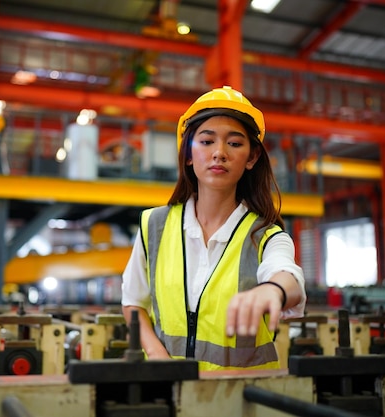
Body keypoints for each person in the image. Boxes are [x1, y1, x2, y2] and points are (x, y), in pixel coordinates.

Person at [121, 86, 306, 371]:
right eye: (207, 142)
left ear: (252, 157)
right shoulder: (153, 226)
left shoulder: (266, 236)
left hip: (242, 399)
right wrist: (157, 356)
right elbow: (133, 302)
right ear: (188, 155)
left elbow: (288, 277)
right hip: (166, 393)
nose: (219, 153)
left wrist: (273, 290)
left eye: (234, 144)